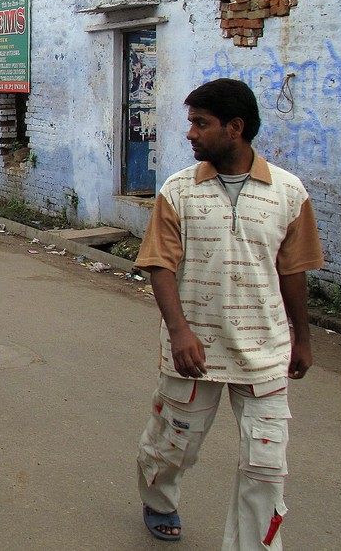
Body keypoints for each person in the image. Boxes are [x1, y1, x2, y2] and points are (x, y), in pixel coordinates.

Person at [134, 78, 324, 548]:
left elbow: (293, 271)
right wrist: (179, 332)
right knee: (172, 446)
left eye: (201, 124)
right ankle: (158, 500)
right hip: (194, 351)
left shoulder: (288, 192)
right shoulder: (178, 191)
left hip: (265, 350)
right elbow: (159, 263)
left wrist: (302, 337)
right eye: (191, 123)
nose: (191, 133)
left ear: (235, 128)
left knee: (266, 466)